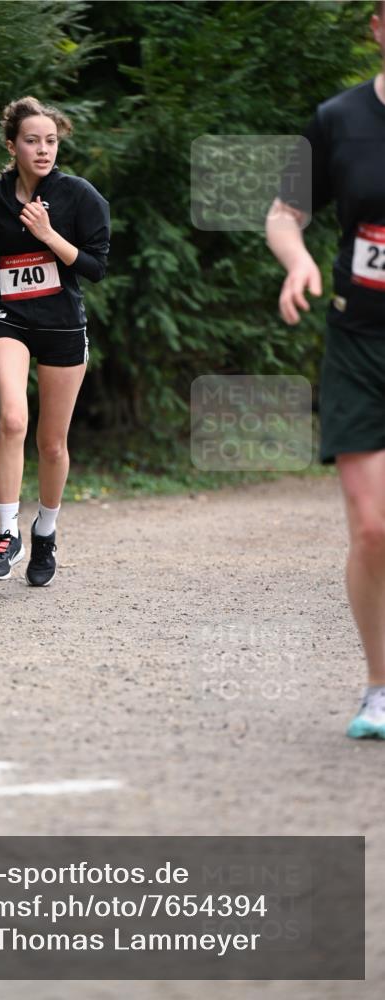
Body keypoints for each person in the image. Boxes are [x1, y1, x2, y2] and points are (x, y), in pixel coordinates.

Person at [266, 1, 385, 738]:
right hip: (359, 342)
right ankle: (378, 688)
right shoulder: (337, 119)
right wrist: (299, 259)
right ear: (376, 27)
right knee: (372, 529)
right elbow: (284, 212)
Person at [0, 96, 110, 586]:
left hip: (63, 325)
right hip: (10, 318)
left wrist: (49, 235)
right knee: (11, 418)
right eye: (32, 141)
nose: (44, 149)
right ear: (13, 146)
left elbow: (95, 268)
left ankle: (44, 532)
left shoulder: (80, 198)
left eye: (51, 141)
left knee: (52, 444)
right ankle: (7, 534)